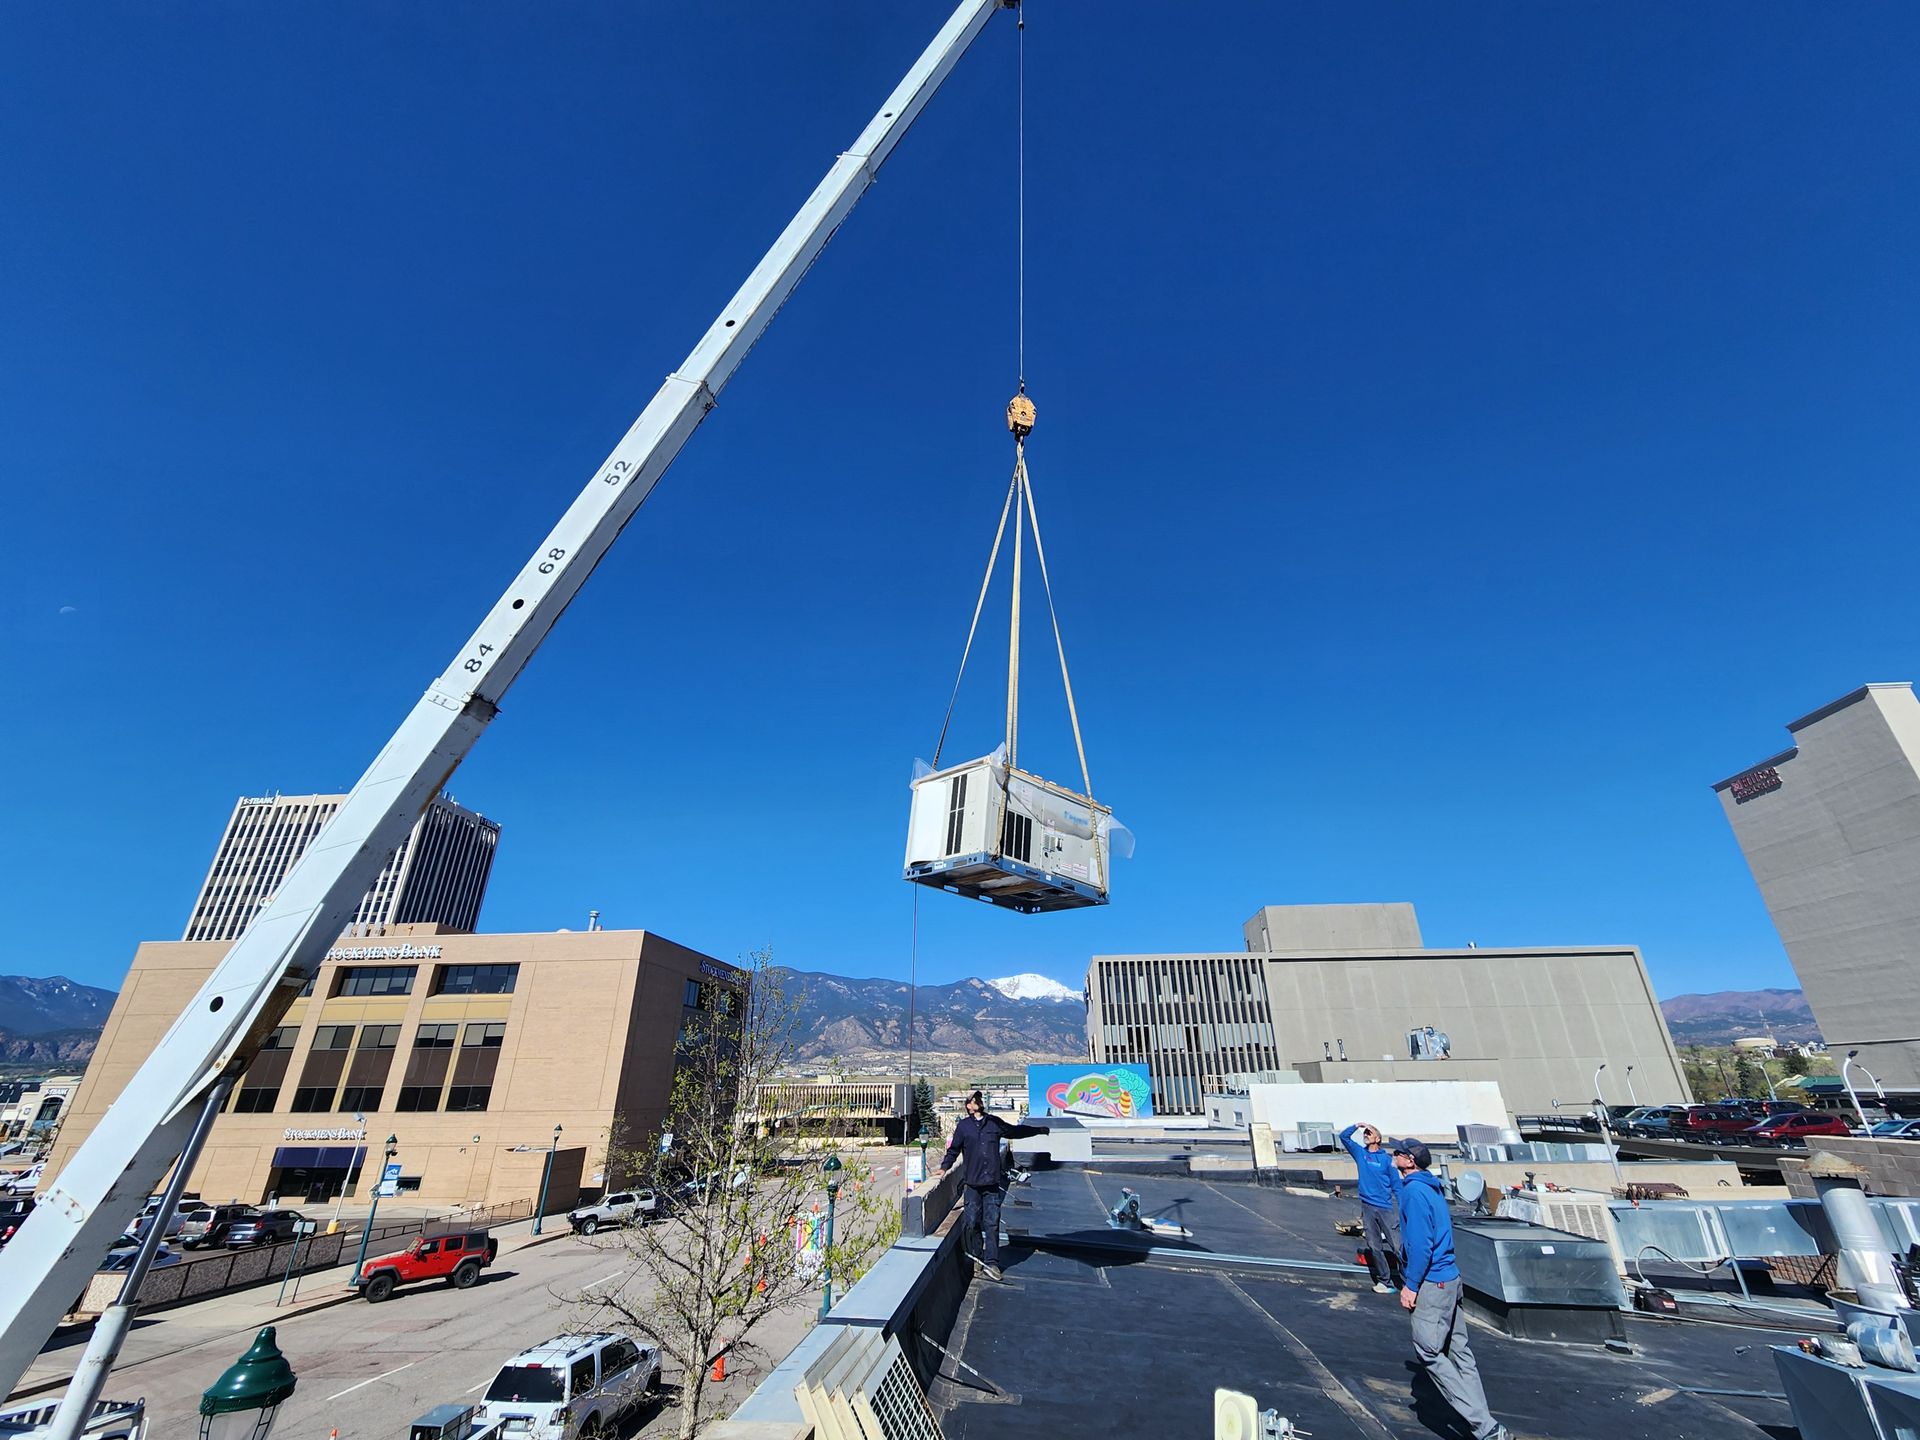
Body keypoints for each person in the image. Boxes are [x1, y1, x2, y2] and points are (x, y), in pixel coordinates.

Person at [1393, 1140, 1508, 1440]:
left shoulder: (1414, 1193)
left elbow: (1420, 1246)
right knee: (1460, 1353)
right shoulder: (1431, 1186)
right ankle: (1487, 1426)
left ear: (1410, 1161)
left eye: (1398, 1153)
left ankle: (1485, 1427)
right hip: (1450, 1279)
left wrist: (1411, 1286)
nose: (1393, 1155)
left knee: (1429, 1352)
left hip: (1432, 1283)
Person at [938, 1090, 1048, 1281]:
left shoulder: (994, 1123)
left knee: (992, 1223)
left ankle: (992, 1262)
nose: (978, 1102)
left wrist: (1037, 1130)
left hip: (991, 1184)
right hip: (972, 1184)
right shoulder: (964, 1127)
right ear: (968, 1106)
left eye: (979, 1099)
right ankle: (977, 1258)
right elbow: (954, 1150)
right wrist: (943, 1168)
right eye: (975, 1100)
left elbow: (1015, 1131)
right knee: (972, 1222)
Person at [1338, 1121, 1404, 1294]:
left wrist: (1405, 1208)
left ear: (1378, 1138)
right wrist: (1356, 1126)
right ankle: (1385, 1281)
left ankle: (1409, 1282)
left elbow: (1397, 1186)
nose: (1366, 1134)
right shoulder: (1361, 1153)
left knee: (1397, 1246)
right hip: (1367, 1207)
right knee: (1375, 1246)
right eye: (1365, 1133)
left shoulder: (1386, 1160)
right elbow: (1343, 1137)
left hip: (1385, 1208)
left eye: (1369, 1132)